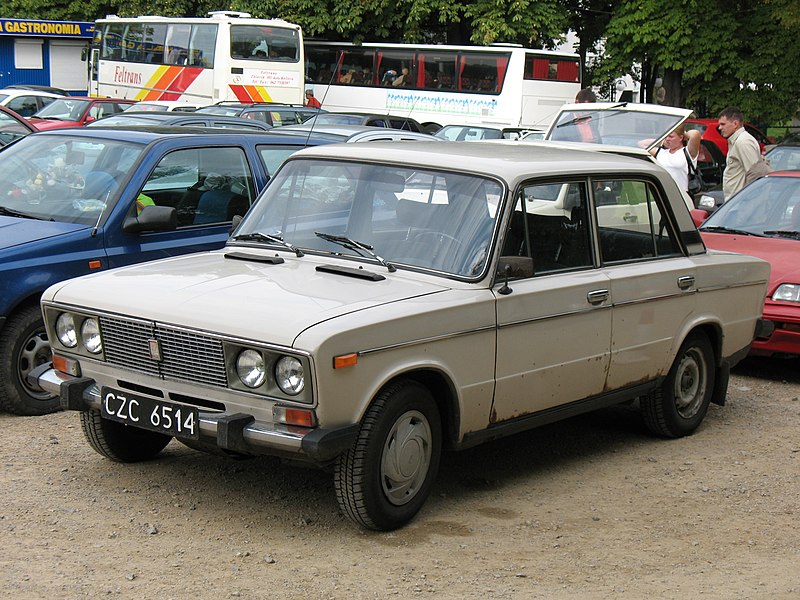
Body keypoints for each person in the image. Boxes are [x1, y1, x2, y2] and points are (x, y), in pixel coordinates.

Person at [718, 106, 761, 199]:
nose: (720, 127)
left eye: (723, 124)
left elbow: (755, 175)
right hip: (736, 202)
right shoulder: (737, 141)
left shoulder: (743, 142)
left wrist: (746, 202)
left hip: (741, 204)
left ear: (735, 123)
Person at [651, 125, 702, 195]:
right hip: (663, 192)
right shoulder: (661, 152)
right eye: (666, 136)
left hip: (682, 194)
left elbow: (695, 134)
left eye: (671, 136)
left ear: (680, 137)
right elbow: (642, 144)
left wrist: (682, 133)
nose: (667, 139)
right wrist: (662, 141)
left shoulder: (686, 152)